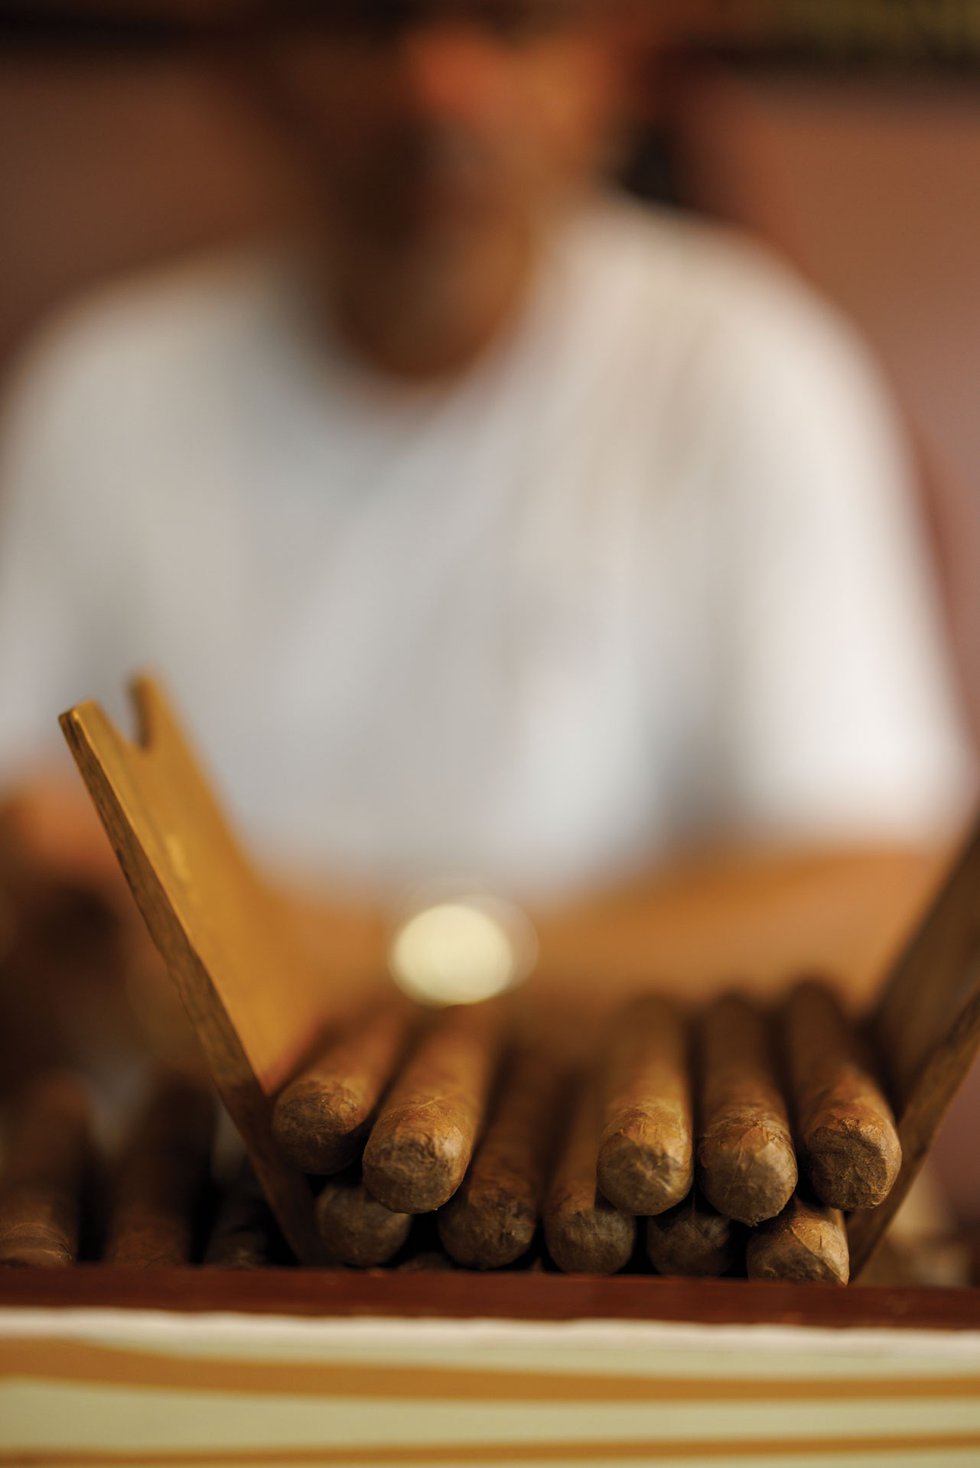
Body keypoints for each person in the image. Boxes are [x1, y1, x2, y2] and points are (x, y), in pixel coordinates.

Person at [0, 0, 973, 1036]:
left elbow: (889, 905)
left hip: (616, 1169)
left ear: (614, 70)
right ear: (257, 66)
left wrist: (358, 950)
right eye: (373, 27)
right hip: (165, 1164)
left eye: (510, 25)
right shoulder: (103, 393)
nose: (438, 89)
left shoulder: (746, 374)